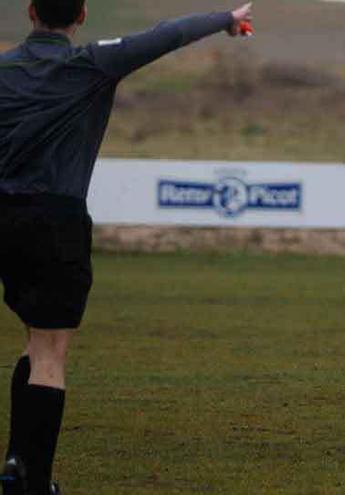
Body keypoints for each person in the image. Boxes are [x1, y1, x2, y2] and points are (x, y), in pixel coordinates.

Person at [0, 2, 254, 493]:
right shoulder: (91, 64)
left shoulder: (5, 69)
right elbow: (167, 34)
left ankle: (15, 464)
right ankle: (34, 483)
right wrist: (225, 16)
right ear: (83, 15)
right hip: (55, 218)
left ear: (30, 12)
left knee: (34, 341)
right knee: (50, 353)